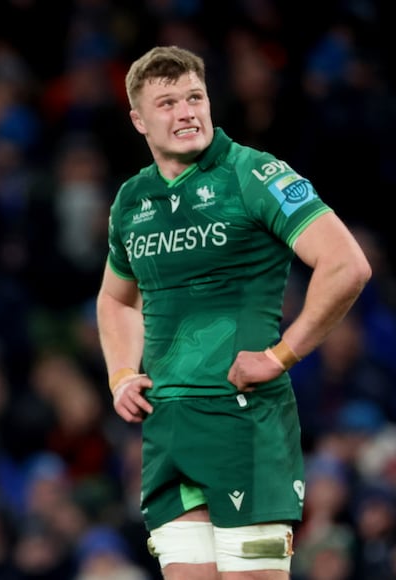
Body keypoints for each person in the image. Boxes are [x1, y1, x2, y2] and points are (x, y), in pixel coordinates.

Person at [95, 45, 372, 579]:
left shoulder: (254, 173)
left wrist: (281, 354)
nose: (186, 112)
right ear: (138, 120)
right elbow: (115, 298)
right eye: (168, 103)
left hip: (244, 422)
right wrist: (121, 374)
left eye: (194, 97)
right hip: (168, 430)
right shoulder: (132, 200)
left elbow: (346, 265)